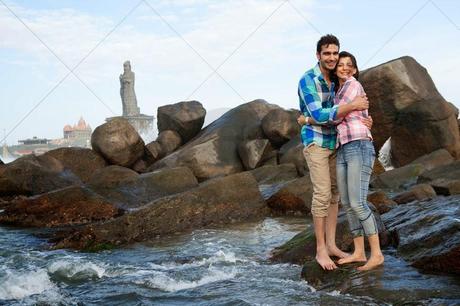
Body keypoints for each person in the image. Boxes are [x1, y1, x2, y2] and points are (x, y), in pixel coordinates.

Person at [303, 51, 384, 271]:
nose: (345, 68)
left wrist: (307, 119)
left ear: (355, 70)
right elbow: (336, 115)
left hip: (359, 145)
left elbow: (336, 115)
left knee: (357, 203)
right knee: (347, 203)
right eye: (341, 64)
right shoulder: (337, 93)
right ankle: (358, 251)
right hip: (343, 146)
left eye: (350, 65)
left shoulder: (352, 85)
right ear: (335, 67)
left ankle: (376, 254)